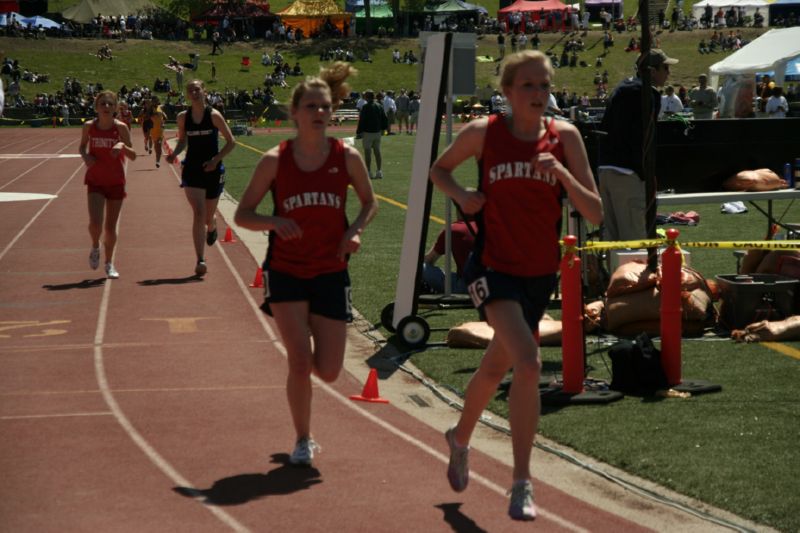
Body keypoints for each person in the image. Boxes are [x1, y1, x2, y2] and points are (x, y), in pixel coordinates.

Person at [429, 51, 602, 521]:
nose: (538, 95)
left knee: (495, 367)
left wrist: (562, 174)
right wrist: (462, 194)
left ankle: (459, 437)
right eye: (527, 86)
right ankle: (522, 481)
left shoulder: (565, 137)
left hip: (539, 272)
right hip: (492, 266)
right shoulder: (485, 133)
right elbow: (438, 170)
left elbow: (595, 212)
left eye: (544, 86)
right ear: (506, 91)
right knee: (528, 362)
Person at [233, 63, 378, 467]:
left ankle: (303, 390)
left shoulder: (345, 157)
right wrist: (274, 221)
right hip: (287, 270)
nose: (319, 113)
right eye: (311, 106)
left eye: (325, 107)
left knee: (329, 371)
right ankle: (302, 438)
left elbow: (370, 202)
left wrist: (354, 231)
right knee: (299, 360)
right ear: (294, 112)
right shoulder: (274, 161)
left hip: (331, 270)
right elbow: (243, 214)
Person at [597, 48, 677, 241]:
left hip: (606, 168)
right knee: (634, 242)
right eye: (665, 67)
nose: (668, 73)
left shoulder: (622, 88)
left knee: (611, 240)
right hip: (627, 173)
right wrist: (644, 173)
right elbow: (644, 138)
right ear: (651, 71)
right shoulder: (647, 94)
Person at [166, 80, 235, 276]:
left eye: (197, 89)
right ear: (187, 95)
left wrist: (215, 160)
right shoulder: (183, 117)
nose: (194, 92)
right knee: (198, 213)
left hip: (213, 169)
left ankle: (212, 225)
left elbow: (231, 142)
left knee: (206, 217)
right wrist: (174, 153)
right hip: (192, 169)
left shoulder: (213, 115)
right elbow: (182, 141)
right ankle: (200, 259)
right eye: (190, 90)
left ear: (204, 91)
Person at [79, 91, 137, 279]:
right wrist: (86, 156)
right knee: (95, 223)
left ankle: (109, 263)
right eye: (102, 104)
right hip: (95, 180)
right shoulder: (89, 126)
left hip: (115, 182)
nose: (106, 107)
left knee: (110, 228)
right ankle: (95, 246)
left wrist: (122, 147)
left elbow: (133, 155)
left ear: (115, 108)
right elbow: (81, 146)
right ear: (96, 107)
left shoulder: (121, 128)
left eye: (110, 104)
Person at [422, 215, 477, 294]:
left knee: (420, 267)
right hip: (492, 286)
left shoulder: (454, 229)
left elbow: (429, 260)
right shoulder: (489, 226)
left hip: (466, 288)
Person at [355, 89, 387, 179]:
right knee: (377, 152)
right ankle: (379, 171)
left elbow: (362, 120)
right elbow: (384, 118)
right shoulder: (379, 105)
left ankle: (368, 171)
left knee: (368, 152)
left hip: (368, 133)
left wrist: (359, 132)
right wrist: (383, 129)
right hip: (377, 132)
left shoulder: (365, 107)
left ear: (367, 97)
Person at [149, 95, 166, 167]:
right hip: (153, 131)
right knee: (156, 147)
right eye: (154, 101)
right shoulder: (150, 109)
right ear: (152, 102)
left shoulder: (159, 108)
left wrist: (163, 123)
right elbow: (149, 116)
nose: (155, 102)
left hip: (160, 131)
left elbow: (165, 117)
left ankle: (158, 161)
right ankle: (157, 157)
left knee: (158, 145)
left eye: (156, 100)